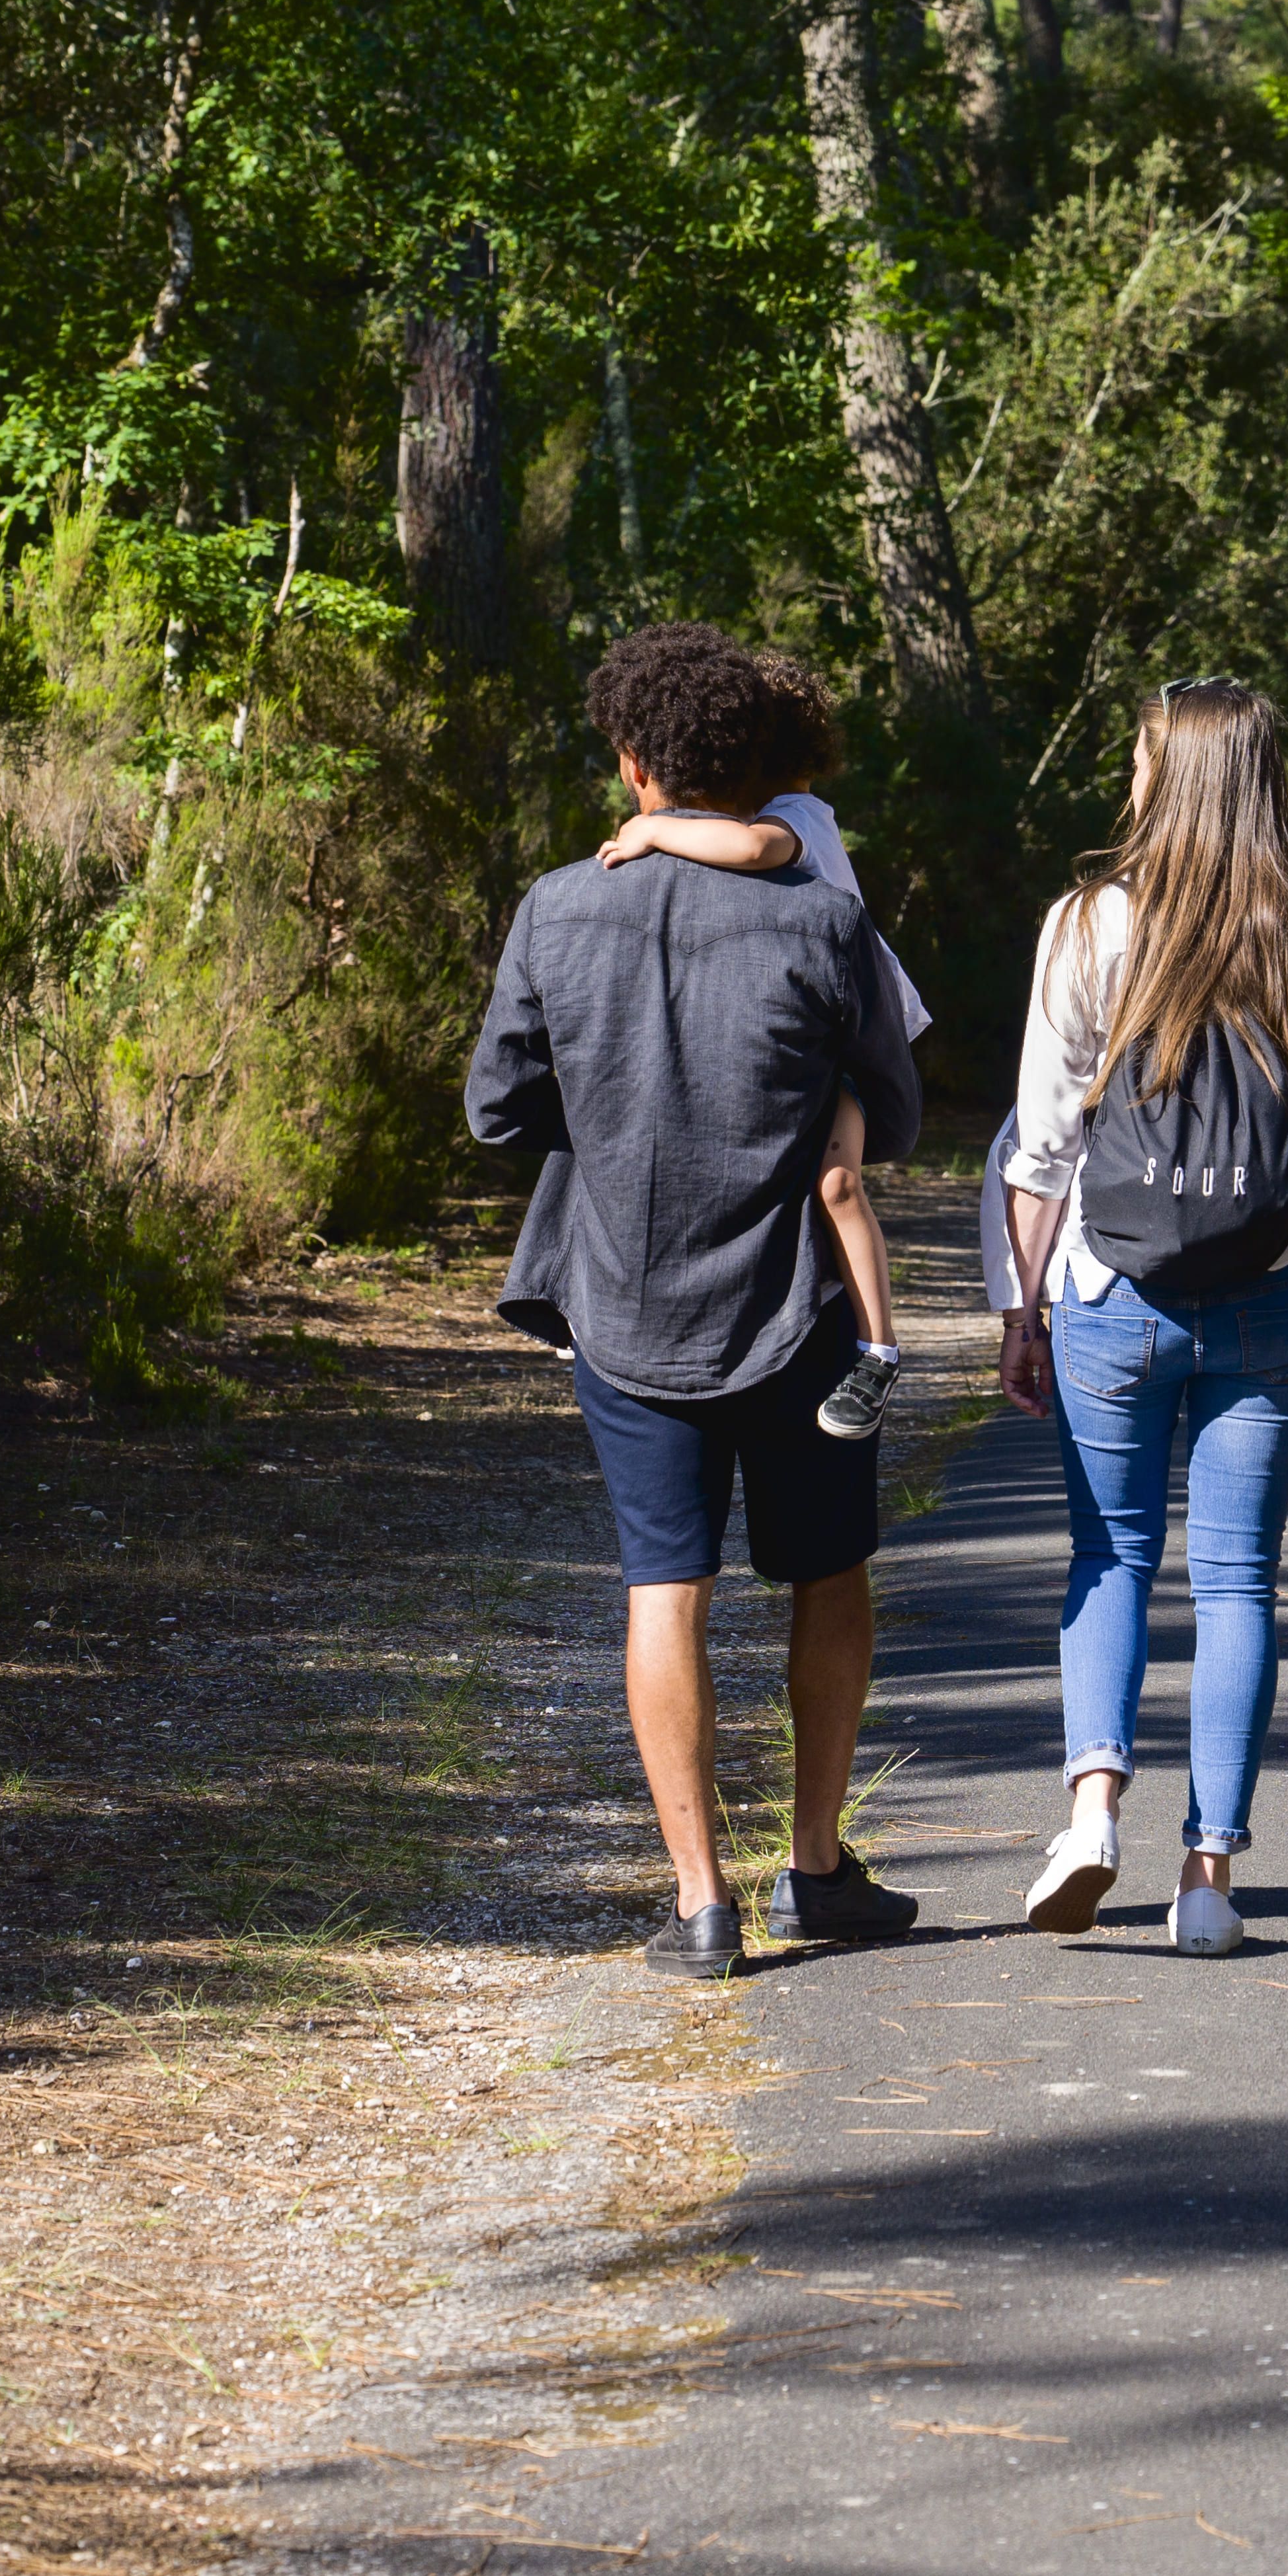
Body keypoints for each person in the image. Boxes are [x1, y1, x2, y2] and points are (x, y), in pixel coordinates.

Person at [465, 624, 930, 1980]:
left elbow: (499, 1107)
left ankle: (699, 1903)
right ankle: (814, 1866)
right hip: (796, 1310)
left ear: (631, 762)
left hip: (623, 1309)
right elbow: (886, 1116)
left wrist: (610, 1122)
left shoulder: (557, 906)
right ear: (757, 766)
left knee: (661, 1585)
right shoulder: (822, 918)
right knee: (828, 1573)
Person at [993, 679, 1288, 1958]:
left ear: (1163, 777)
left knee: (1108, 1555)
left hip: (1109, 1292)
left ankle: (1088, 1813)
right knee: (1237, 1579)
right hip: (1271, 1290)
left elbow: (1039, 1144)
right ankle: (1208, 1881)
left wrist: (1023, 1312)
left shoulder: (1085, 925)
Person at [594, 654, 932, 1439]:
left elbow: (755, 854)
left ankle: (877, 1351)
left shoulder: (792, 818)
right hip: (842, 1017)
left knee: (837, 1186)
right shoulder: (799, 807)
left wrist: (654, 828)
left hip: (853, 1026)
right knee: (822, 1184)